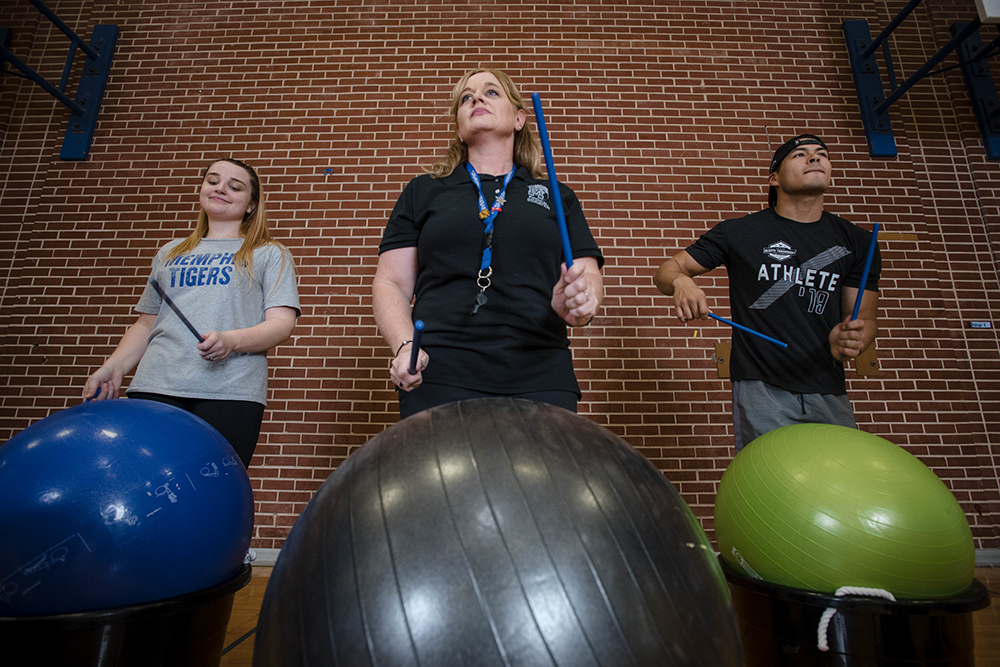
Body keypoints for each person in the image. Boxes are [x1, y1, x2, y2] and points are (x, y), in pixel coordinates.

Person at [373, 68, 604, 418]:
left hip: (540, 373)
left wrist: (580, 304)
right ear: (459, 128)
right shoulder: (423, 191)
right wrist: (405, 346)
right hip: (440, 371)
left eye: (492, 92)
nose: (477, 98)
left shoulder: (557, 196)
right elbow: (391, 282)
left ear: (519, 119)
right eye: (466, 97)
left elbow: (587, 276)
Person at [653, 134, 881, 451]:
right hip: (761, 387)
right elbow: (666, 271)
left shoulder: (859, 242)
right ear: (774, 178)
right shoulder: (739, 232)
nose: (815, 158)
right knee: (769, 479)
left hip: (828, 386)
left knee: (843, 478)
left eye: (822, 154)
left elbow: (864, 319)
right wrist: (682, 282)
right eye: (800, 154)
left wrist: (852, 339)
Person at [83, 158, 300, 468]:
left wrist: (231, 341)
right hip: (156, 385)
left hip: (230, 391)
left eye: (234, 186)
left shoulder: (269, 253)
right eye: (213, 181)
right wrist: (114, 366)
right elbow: (146, 324)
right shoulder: (169, 252)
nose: (221, 188)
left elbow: (281, 324)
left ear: (251, 204)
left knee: (211, 488)